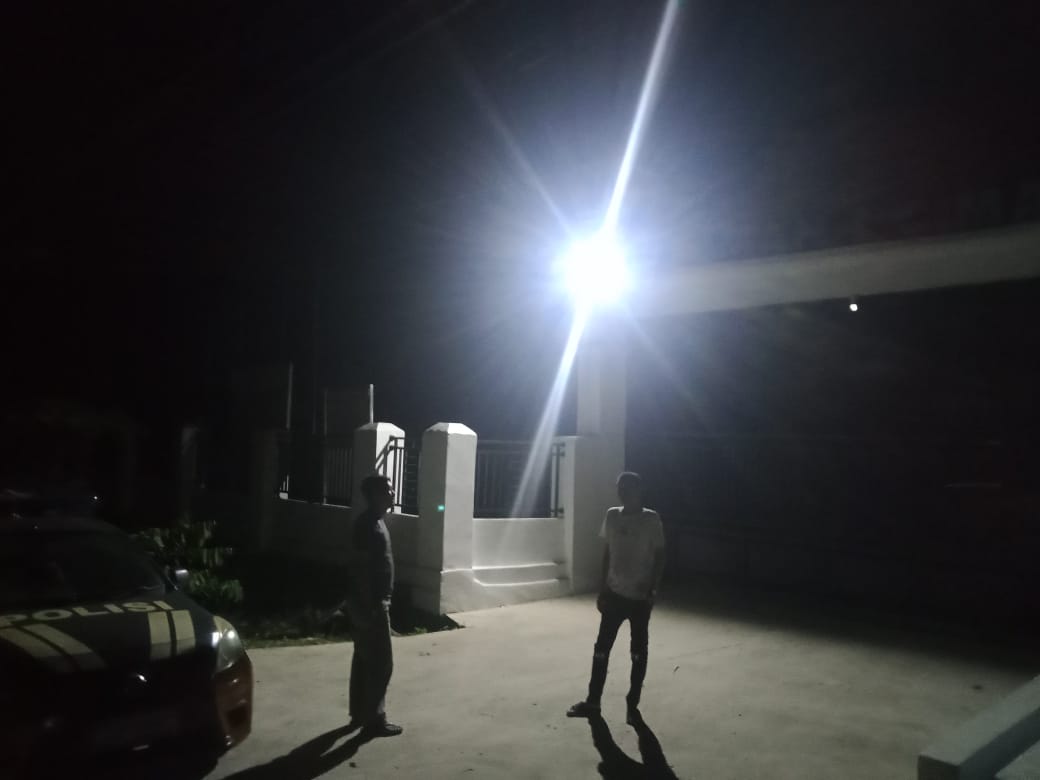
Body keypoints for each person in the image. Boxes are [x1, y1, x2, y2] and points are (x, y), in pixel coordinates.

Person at [568, 472, 665, 725]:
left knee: (637, 652)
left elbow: (660, 556)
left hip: (640, 598)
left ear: (639, 490)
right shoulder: (612, 515)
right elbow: (607, 553)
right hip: (614, 594)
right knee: (601, 649)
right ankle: (593, 701)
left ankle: (632, 705)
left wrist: (653, 589)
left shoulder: (651, 519)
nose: (623, 492)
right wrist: (603, 589)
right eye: (620, 487)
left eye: (628, 487)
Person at [345, 474, 402, 737]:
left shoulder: (375, 522)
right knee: (381, 663)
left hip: (371, 602)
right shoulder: (367, 525)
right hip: (371, 604)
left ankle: (360, 713)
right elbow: (359, 567)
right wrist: (370, 605)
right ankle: (375, 720)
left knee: (364, 658)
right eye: (388, 490)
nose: (393, 493)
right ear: (376, 495)